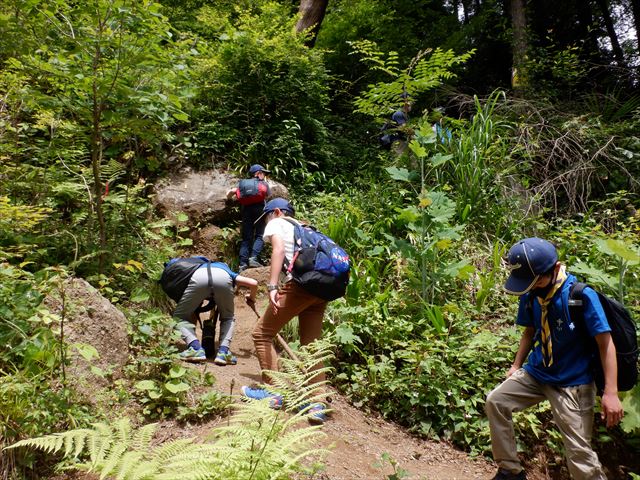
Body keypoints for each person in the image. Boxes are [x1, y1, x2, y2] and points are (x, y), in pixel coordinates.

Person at [485, 238, 624, 480]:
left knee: (579, 453)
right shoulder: (530, 293)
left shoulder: (581, 296)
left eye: (537, 279)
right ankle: (510, 470)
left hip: (573, 383)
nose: (532, 285)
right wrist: (516, 365)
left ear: (555, 268)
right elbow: (530, 332)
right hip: (537, 373)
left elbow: (606, 343)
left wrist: (611, 392)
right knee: (496, 401)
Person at [240, 198, 330, 424]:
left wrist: (271, 286)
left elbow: (278, 249)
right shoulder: (305, 228)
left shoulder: (278, 222)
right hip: (322, 288)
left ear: (277, 212)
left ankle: (273, 394)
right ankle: (317, 402)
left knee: (262, 334)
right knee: (311, 345)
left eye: (267, 217)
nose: (265, 224)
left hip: (301, 286)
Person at [173, 260, 258, 365]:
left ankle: (195, 348)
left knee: (179, 316)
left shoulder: (199, 268)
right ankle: (223, 352)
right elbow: (253, 283)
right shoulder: (226, 270)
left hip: (199, 278)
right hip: (223, 280)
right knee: (228, 317)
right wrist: (251, 298)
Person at [227, 164, 271, 271]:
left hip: (246, 210)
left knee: (246, 238)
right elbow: (268, 195)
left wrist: (228, 199)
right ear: (258, 173)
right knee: (260, 235)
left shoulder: (243, 184)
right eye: (262, 173)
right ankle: (253, 258)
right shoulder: (263, 183)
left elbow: (230, 193)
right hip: (259, 209)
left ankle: (242, 264)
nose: (264, 175)